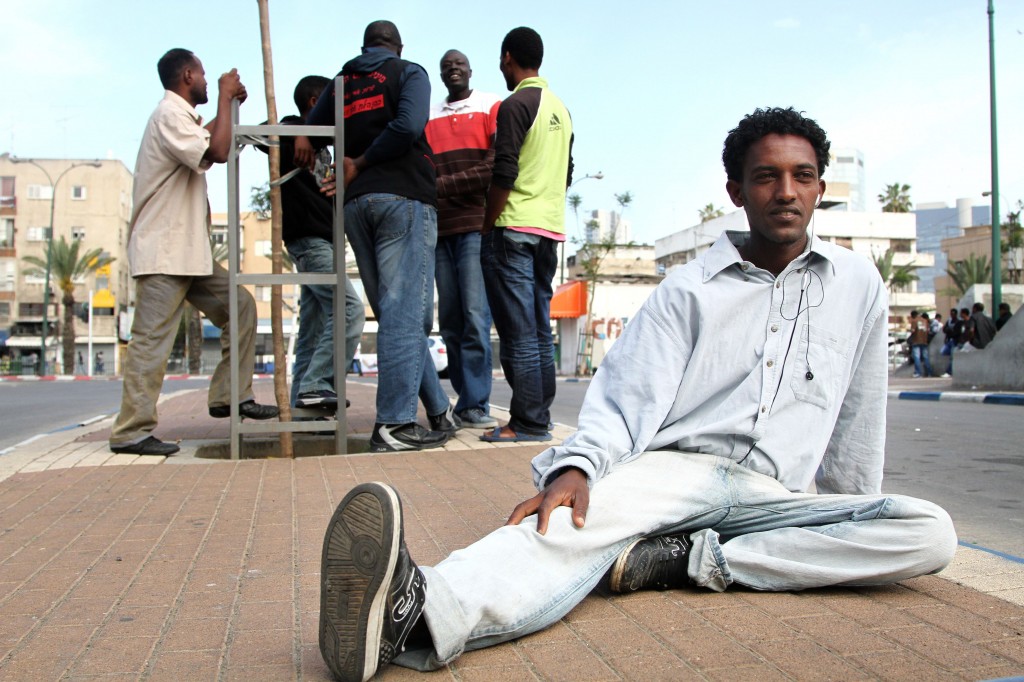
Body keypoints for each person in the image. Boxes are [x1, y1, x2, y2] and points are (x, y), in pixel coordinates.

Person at [315, 107, 956, 681]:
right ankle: (416, 610)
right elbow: (626, 401)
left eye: (802, 175)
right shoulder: (688, 291)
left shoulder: (858, 283)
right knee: (563, 524)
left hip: (777, 496)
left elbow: (858, 415)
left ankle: (683, 562)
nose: (786, 192)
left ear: (819, 187)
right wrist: (576, 466)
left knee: (929, 534)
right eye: (766, 177)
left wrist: (840, 523)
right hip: (678, 473)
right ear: (737, 191)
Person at [109, 49, 278, 457]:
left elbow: (219, 141)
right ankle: (131, 431)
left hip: (188, 250)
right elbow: (217, 153)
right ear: (188, 75)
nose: (205, 81)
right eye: (203, 75)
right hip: (164, 249)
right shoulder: (169, 115)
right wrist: (224, 95)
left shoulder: (184, 119)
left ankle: (230, 396)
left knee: (239, 305)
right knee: (151, 340)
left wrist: (230, 104)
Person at [303, 21, 458, 452]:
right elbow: (409, 126)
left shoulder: (339, 84)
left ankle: (439, 409)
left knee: (395, 317)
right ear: (397, 47)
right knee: (407, 316)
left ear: (364, 47)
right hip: (402, 196)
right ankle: (393, 424)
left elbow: (311, 134)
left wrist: (332, 170)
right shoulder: (408, 73)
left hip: (356, 206)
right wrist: (363, 161)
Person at [478, 27, 574, 443]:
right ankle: (540, 417)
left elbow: (504, 171)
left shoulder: (516, 104)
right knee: (536, 330)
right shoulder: (561, 109)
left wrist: (489, 222)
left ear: (507, 58)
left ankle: (528, 423)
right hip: (549, 231)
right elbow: (567, 173)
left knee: (519, 333)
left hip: (513, 228)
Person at [256, 75, 365, 410]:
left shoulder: (325, 146)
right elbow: (260, 133)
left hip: (326, 242)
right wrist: (299, 130)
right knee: (350, 309)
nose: (342, 113)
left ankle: (301, 408)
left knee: (314, 329)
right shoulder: (291, 133)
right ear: (314, 102)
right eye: (335, 103)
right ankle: (317, 384)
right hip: (308, 242)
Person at [424, 49, 502, 429]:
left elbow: (492, 168)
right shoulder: (429, 116)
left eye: (459, 64)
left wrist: (439, 186)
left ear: (471, 70)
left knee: (475, 316)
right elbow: (421, 167)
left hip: (475, 226)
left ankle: (474, 404)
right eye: (446, 66)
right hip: (439, 229)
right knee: (451, 321)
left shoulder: (491, 107)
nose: (453, 68)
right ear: (441, 76)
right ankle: (463, 397)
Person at [907, 310, 933, 378]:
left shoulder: (914, 321)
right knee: (926, 357)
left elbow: (913, 331)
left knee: (917, 357)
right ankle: (929, 372)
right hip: (924, 341)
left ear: (913, 315)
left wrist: (909, 331)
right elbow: (928, 331)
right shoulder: (925, 321)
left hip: (916, 341)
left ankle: (918, 373)